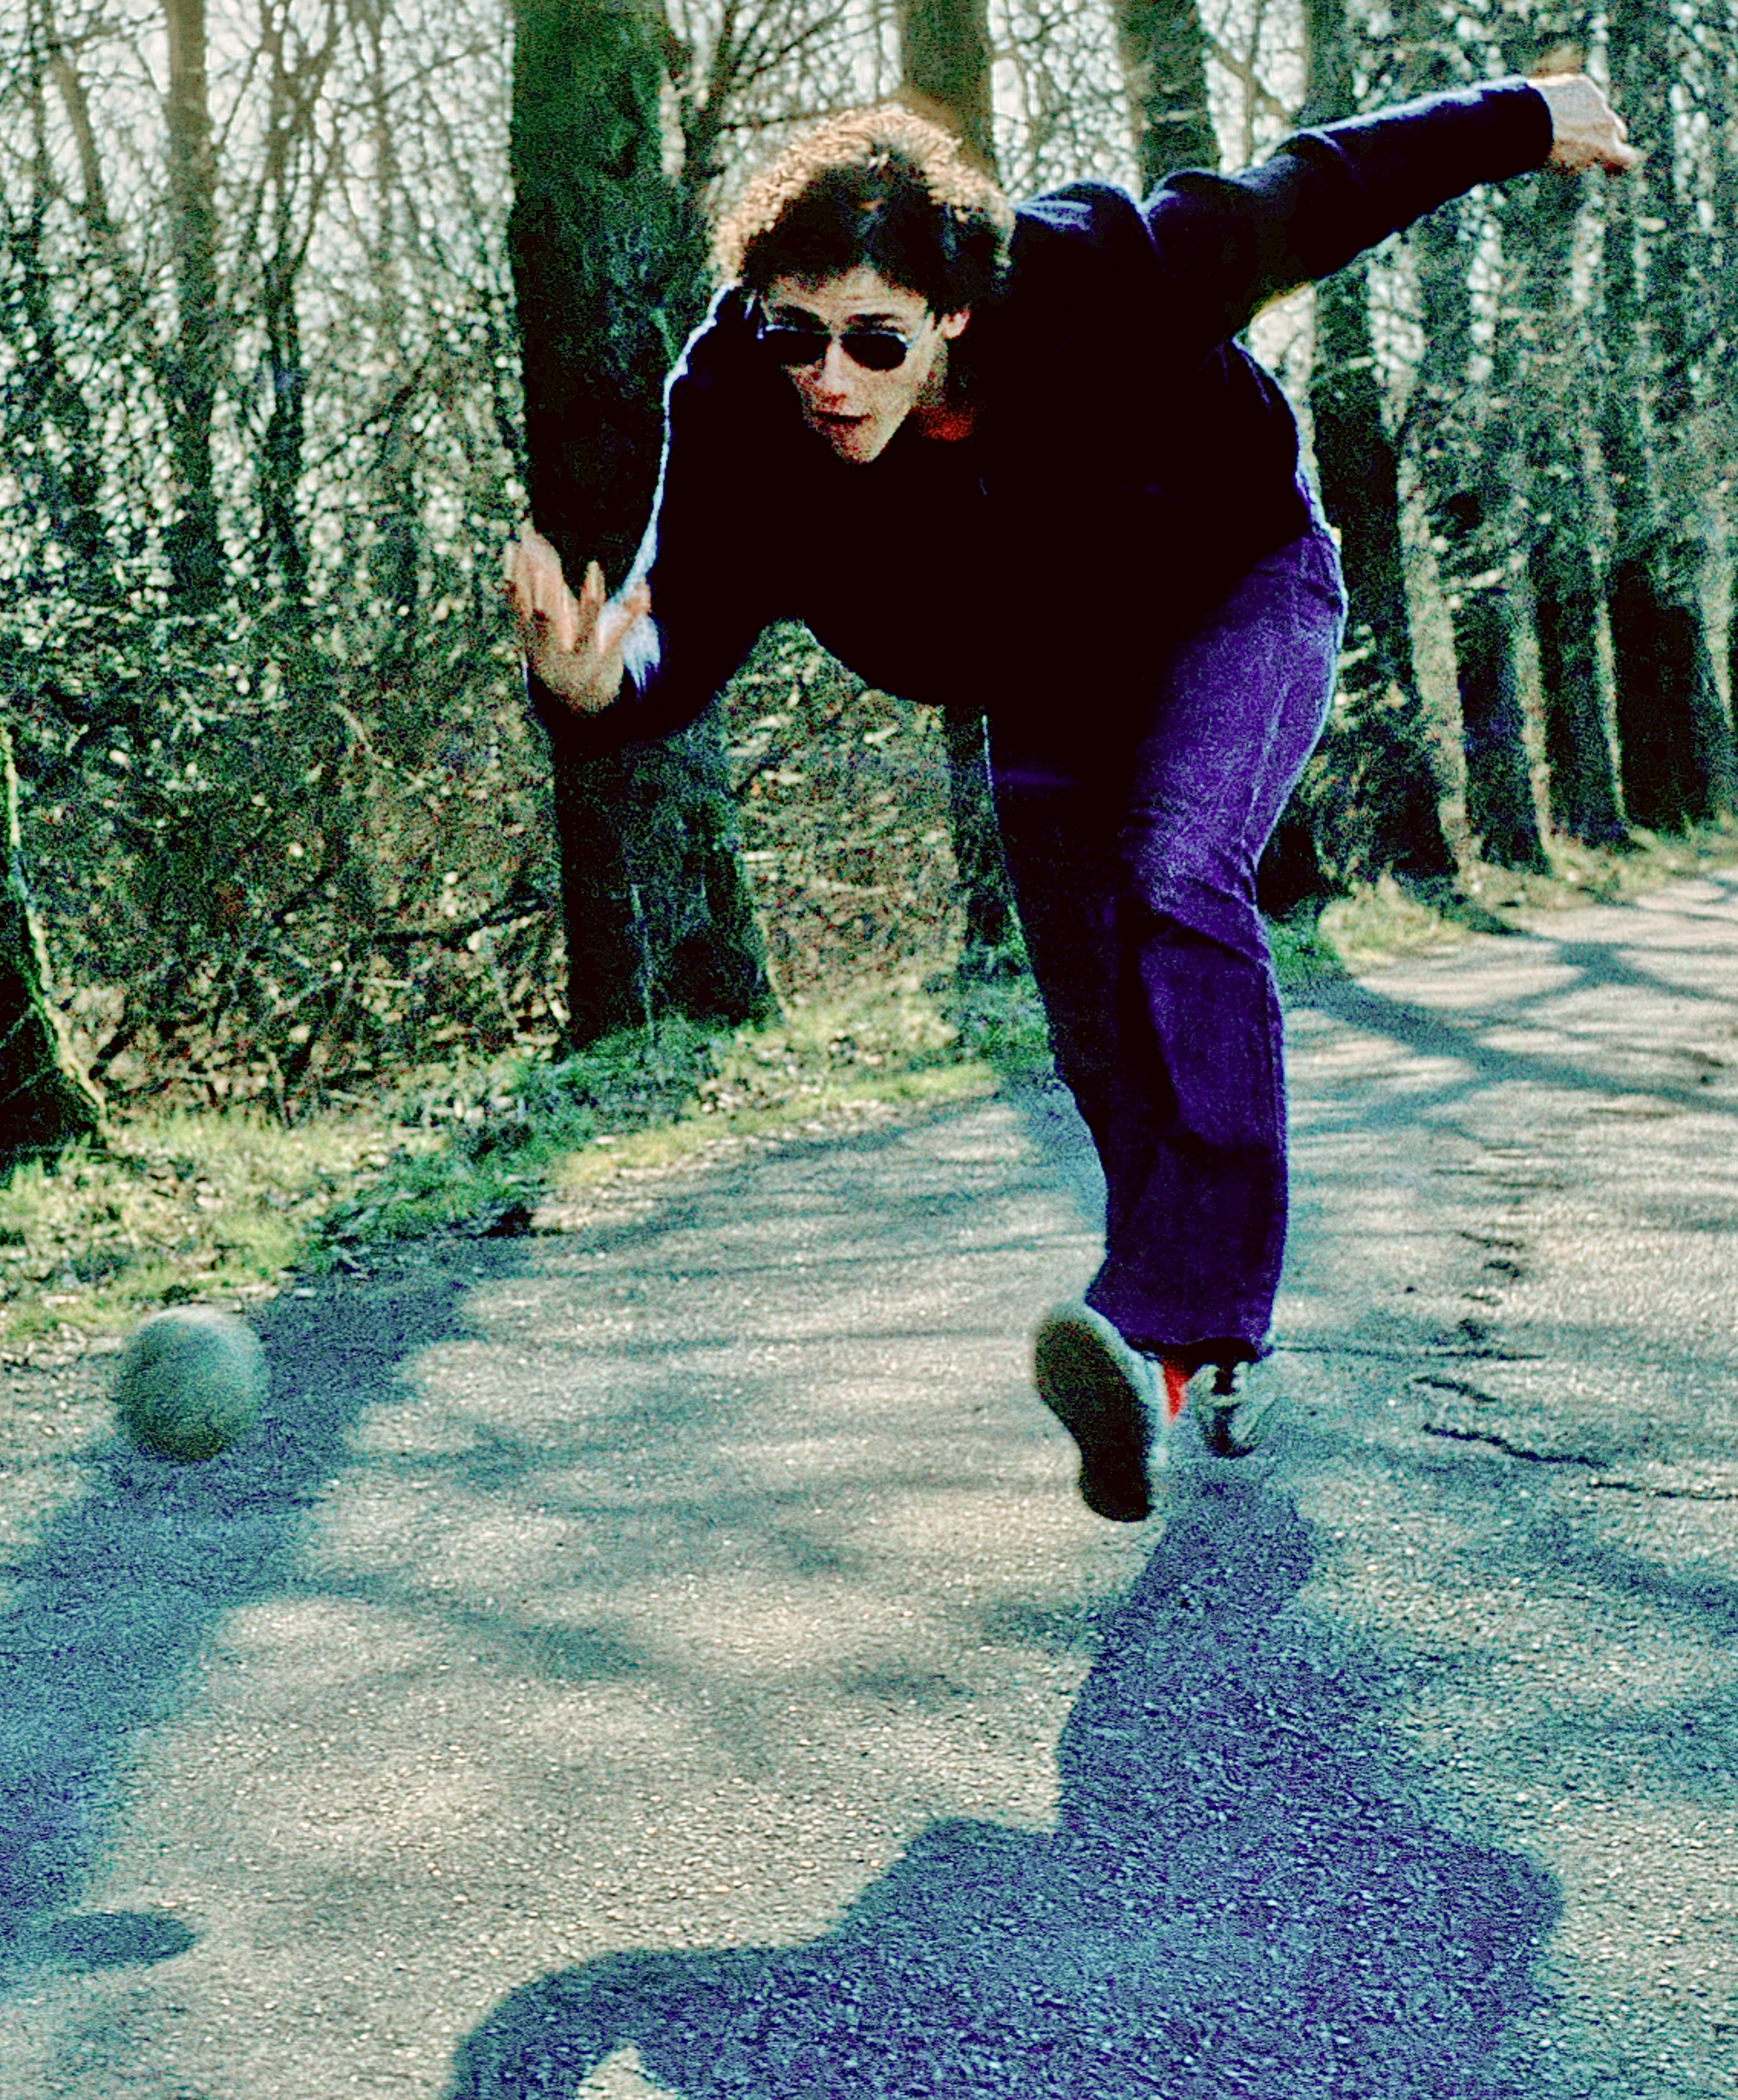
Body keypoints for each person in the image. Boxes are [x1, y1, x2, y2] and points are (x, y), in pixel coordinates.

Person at [505, 72, 1638, 1523]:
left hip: (1236, 584)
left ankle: (1169, 1303)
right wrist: (596, 684)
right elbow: (685, 619)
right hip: (1042, 668)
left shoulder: (1108, 275)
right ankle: (1160, 1356)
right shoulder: (737, 402)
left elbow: (1319, 188)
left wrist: (1525, 115)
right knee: (1096, 1012)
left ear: (953, 314)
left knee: (1177, 867)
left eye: (872, 340)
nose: (827, 380)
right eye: (795, 334)